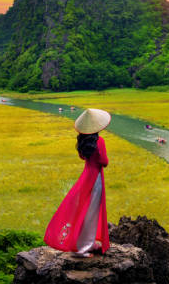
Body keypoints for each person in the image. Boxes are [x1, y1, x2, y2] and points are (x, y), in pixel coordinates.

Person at [44, 108, 111, 257]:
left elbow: (83, 157)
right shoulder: (100, 141)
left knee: (83, 209)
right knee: (91, 212)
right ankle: (82, 248)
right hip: (96, 179)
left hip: (85, 177)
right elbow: (104, 162)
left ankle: (86, 242)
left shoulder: (82, 141)